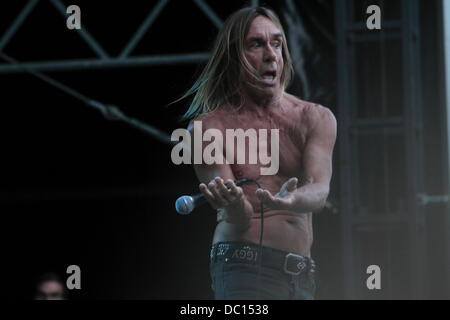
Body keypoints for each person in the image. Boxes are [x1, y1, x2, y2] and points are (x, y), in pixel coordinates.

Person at [182, 6, 337, 300]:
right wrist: (234, 203)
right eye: (256, 44)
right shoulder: (205, 129)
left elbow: (320, 190)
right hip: (243, 264)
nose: (271, 54)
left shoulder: (315, 118)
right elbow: (237, 219)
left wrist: (293, 199)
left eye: (276, 43)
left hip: (302, 272)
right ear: (233, 56)